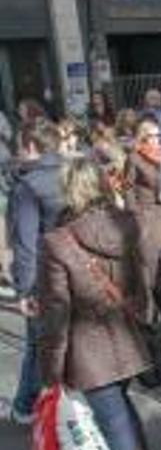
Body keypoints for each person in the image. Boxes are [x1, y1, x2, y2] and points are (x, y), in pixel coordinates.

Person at [37, 156, 161, 450]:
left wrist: (50, 373)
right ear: (104, 184)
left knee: (116, 424)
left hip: (89, 357)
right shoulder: (135, 223)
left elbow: (56, 314)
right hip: (132, 340)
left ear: (68, 190)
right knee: (120, 416)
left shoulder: (58, 242)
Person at [0, 122, 64, 424]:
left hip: (45, 276)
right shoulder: (74, 172)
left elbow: (26, 245)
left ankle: (25, 406)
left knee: (37, 343)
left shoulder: (28, 186)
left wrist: (24, 292)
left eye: (19, 146)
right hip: (77, 272)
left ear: (30, 147)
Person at [126, 119, 161, 255]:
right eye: (153, 135)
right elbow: (127, 187)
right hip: (146, 210)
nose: (157, 138)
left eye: (159, 135)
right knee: (150, 253)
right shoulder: (134, 157)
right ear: (144, 137)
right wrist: (133, 211)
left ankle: (159, 274)